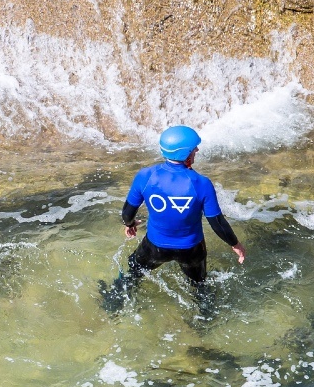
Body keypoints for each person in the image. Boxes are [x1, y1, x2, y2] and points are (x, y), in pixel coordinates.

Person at [101, 125, 246, 313]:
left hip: (155, 247)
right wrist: (235, 244)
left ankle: (115, 305)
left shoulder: (145, 176)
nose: (197, 151)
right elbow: (217, 222)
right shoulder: (201, 183)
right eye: (194, 148)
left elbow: (127, 212)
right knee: (200, 287)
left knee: (134, 271)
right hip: (191, 250)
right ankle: (204, 321)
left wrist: (129, 224)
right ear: (186, 153)